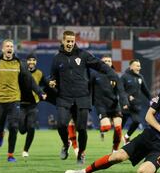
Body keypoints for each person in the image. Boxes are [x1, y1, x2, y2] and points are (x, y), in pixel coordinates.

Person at [64, 64, 160, 173]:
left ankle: (151, 168)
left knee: (142, 172)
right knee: (117, 157)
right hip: (149, 136)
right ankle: (83, 172)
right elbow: (148, 117)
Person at [49, 30, 118, 164]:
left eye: (72, 41)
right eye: (67, 41)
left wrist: (112, 74)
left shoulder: (83, 55)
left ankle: (81, 153)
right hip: (64, 98)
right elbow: (53, 77)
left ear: (74, 41)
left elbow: (99, 65)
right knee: (61, 125)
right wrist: (52, 82)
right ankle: (65, 144)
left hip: (82, 98)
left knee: (81, 129)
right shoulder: (57, 59)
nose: (70, 43)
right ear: (63, 41)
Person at [0, 39, 45, 162]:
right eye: (7, 46)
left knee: (14, 126)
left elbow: (30, 80)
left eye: (11, 46)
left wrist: (40, 92)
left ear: (13, 49)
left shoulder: (19, 64)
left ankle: (10, 154)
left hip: (15, 100)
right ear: (3, 49)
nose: (9, 48)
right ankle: (1, 134)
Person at [91, 54, 128, 151]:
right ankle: (102, 130)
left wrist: (124, 102)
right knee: (107, 127)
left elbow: (121, 90)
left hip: (114, 105)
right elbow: (88, 90)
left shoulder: (115, 75)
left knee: (118, 128)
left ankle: (115, 149)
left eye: (109, 61)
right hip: (101, 105)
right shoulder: (94, 75)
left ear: (111, 63)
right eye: (105, 61)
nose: (107, 63)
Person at [19, 53, 47, 158]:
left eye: (33, 60)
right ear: (26, 61)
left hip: (33, 105)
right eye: (29, 60)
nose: (31, 62)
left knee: (31, 127)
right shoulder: (20, 72)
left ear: (36, 62)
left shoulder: (39, 73)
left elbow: (46, 83)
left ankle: (25, 150)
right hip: (21, 104)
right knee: (22, 130)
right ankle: (24, 125)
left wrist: (49, 85)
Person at [121, 59, 151, 143]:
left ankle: (127, 136)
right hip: (124, 105)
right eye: (137, 66)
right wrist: (127, 97)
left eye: (139, 66)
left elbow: (145, 90)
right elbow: (120, 90)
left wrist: (152, 99)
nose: (139, 67)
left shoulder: (140, 77)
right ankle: (115, 146)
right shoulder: (124, 77)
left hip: (135, 105)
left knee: (137, 121)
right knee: (119, 126)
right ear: (131, 66)